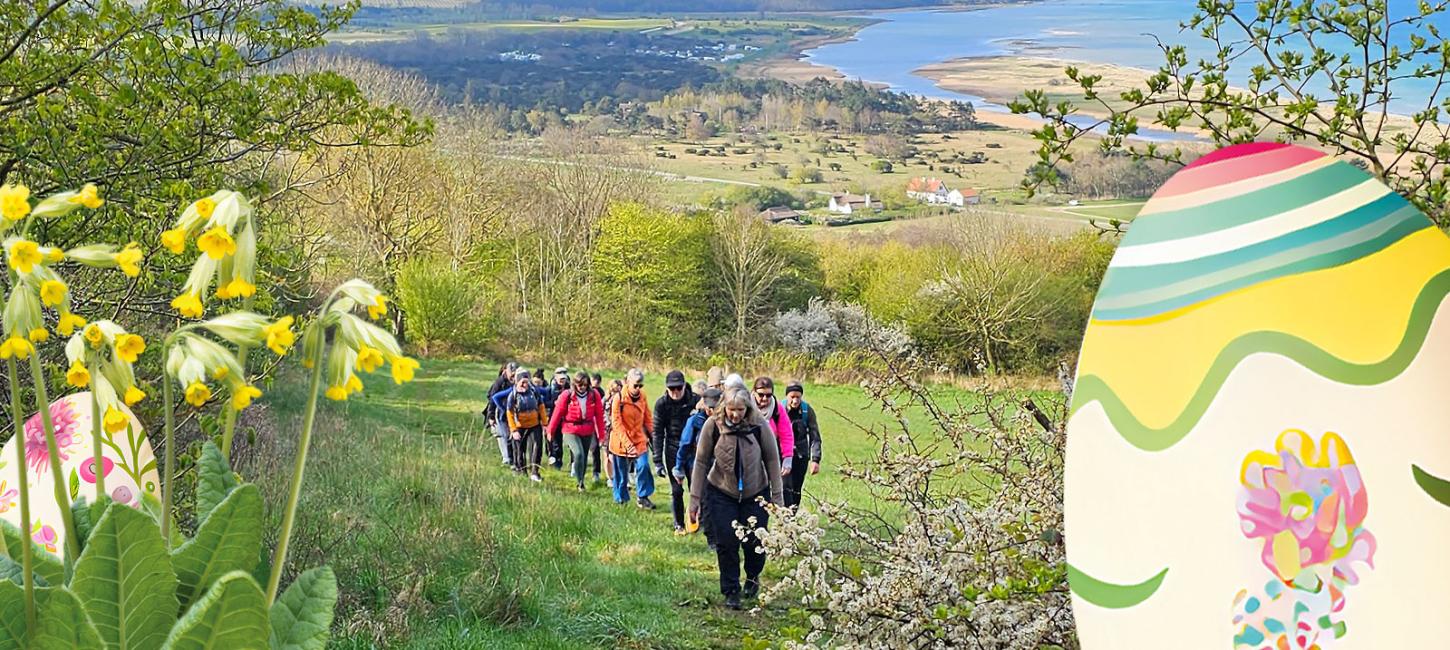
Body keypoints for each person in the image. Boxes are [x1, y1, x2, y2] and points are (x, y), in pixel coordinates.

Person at [688, 388, 784, 610]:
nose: (735, 415)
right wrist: (694, 500)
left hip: (755, 493)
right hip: (721, 491)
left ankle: (752, 577)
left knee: (755, 542)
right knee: (727, 542)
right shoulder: (713, 425)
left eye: (740, 410)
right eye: (731, 410)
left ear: (747, 408)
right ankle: (731, 590)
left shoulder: (759, 425)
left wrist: (777, 499)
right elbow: (701, 462)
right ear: (724, 408)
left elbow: (772, 460)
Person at [675, 387, 722, 540]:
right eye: (710, 407)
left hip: (721, 464)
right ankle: (711, 537)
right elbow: (685, 444)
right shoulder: (695, 421)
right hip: (700, 464)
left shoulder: (726, 421)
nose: (712, 410)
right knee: (705, 499)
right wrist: (679, 467)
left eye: (715, 407)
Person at [654, 370, 697, 533]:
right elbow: (658, 432)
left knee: (696, 488)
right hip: (672, 448)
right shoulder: (662, 404)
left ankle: (697, 521)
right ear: (667, 388)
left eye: (679, 388)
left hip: (693, 449)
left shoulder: (695, 400)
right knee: (677, 490)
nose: (676, 392)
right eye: (672, 389)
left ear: (685, 386)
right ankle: (679, 523)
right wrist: (658, 461)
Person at [548, 371, 607, 491]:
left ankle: (581, 481)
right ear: (575, 384)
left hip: (587, 429)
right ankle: (579, 482)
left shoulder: (594, 394)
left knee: (584, 457)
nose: (583, 387)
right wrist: (550, 431)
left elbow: (599, 416)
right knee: (578, 453)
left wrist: (601, 436)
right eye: (580, 385)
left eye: (585, 385)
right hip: (570, 429)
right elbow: (557, 413)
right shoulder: (567, 395)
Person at [610, 368, 656, 508]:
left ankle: (643, 497)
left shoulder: (643, 396)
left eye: (640, 385)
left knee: (643, 466)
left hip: (639, 439)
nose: (638, 388)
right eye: (635, 385)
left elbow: (647, 418)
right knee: (622, 476)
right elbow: (617, 424)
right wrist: (627, 444)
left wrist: (654, 435)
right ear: (627, 382)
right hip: (621, 442)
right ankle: (621, 500)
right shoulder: (618, 398)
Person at [503, 371, 549, 482]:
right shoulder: (512, 395)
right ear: (517, 382)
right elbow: (509, 413)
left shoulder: (534, 392)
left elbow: (541, 407)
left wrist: (545, 423)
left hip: (534, 425)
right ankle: (521, 471)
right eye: (522, 382)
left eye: (526, 382)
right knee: (519, 450)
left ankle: (534, 472)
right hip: (519, 426)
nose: (525, 385)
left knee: (537, 447)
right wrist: (514, 430)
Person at [782, 381, 822, 508]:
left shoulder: (807, 411)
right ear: (787, 396)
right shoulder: (779, 409)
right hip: (783, 455)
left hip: (801, 455)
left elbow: (815, 436)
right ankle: (785, 518)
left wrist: (815, 459)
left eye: (798, 397)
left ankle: (792, 517)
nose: (795, 401)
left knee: (796, 489)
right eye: (792, 397)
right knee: (785, 487)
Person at [752, 377, 796, 478]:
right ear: (754, 392)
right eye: (761, 395)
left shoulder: (777, 408)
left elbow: (786, 433)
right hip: (749, 454)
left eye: (768, 395)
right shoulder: (745, 407)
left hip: (770, 454)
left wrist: (788, 457)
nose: (764, 398)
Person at [484, 362, 519, 466]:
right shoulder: (499, 382)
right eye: (511, 373)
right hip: (500, 412)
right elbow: (492, 398)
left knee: (513, 434)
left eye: (515, 373)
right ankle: (506, 458)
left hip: (514, 412)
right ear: (506, 372)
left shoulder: (519, 382)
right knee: (503, 435)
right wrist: (490, 416)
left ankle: (514, 457)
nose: (513, 376)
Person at [547, 367, 571, 469]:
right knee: (555, 438)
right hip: (553, 416)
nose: (562, 381)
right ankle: (554, 458)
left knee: (563, 439)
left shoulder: (569, 388)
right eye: (560, 379)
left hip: (566, 417)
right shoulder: (550, 389)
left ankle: (560, 460)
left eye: (564, 379)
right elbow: (545, 402)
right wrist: (555, 403)